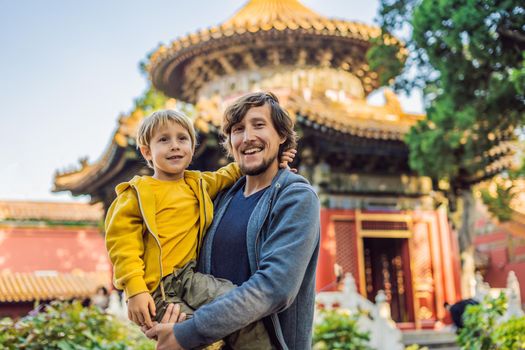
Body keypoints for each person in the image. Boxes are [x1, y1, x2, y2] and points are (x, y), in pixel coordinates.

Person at [145, 92, 321, 350]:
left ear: (281, 136)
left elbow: (275, 287)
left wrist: (187, 333)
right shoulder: (215, 199)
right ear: (229, 141)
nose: (248, 137)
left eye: (259, 125)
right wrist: (156, 308)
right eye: (238, 130)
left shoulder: (294, 197)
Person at [105, 110, 294, 348]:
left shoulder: (199, 183)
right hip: (159, 290)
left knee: (237, 307)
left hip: (190, 277)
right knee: (201, 340)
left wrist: (274, 159)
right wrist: (134, 291)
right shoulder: (138, 193)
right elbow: (122, 245)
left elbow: (232, 172)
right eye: (164, 140)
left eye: (182, 139)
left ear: (192, 148)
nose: (174, 146)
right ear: (146, 151)